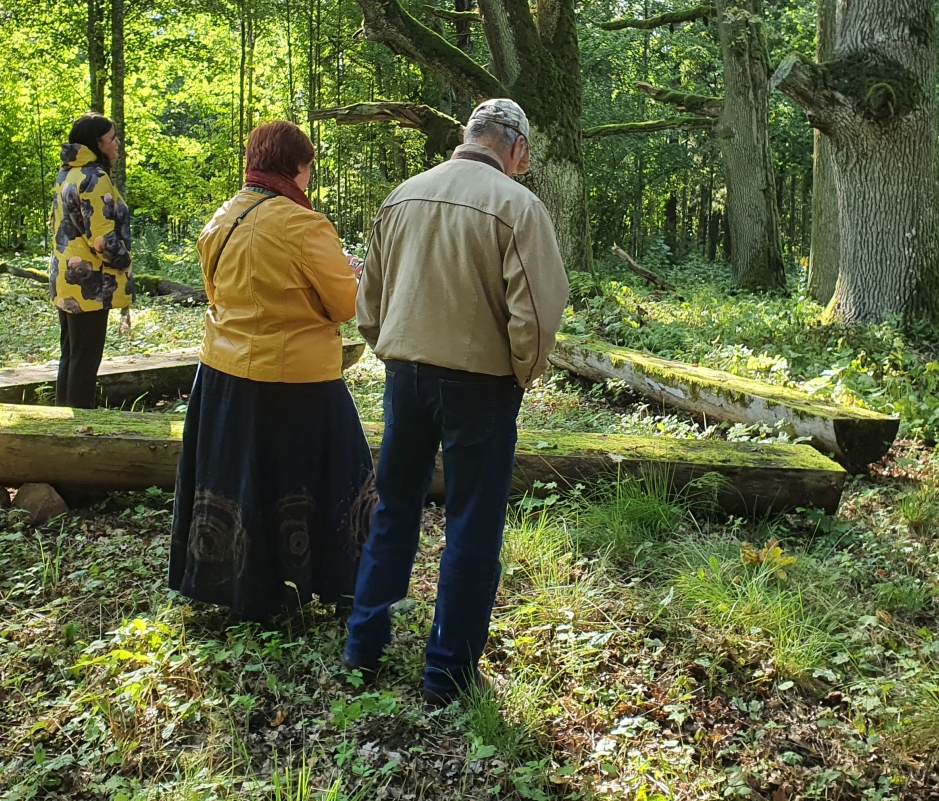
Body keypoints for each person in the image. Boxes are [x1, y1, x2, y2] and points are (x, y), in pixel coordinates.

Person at [345, 98, 570, 705]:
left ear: (469, 136)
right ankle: (446, 675)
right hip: (480, 385)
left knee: (394, 507)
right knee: (472, 522)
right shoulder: (518, 206)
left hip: (406, 375)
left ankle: (363, 646)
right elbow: (537, 313)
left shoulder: (402, 197)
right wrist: (519, 376)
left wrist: (395, 351)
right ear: (516, 147)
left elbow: (369, 302)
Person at [168, 120, 370, 620]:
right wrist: (352, 272)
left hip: (223, 377)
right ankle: (333, 584)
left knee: (242, 482)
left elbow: (220, 294)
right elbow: (345, 303)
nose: (308, 180)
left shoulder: (222, 218)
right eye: (307, 169)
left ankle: (243, 590)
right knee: (322, 481)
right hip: (297, 382)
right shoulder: (304, 224)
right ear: (295, 167)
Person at [48, 112, 132, 409]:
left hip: (66, 278)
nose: (117, 143)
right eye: (112, 139)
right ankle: (80, 428)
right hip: (90, 282)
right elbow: (102, 239)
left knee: (71, 354)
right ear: (97, 144)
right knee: (85, 358)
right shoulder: (94, 178)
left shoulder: (67, 173)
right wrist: (123, 261)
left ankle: (63, 421)